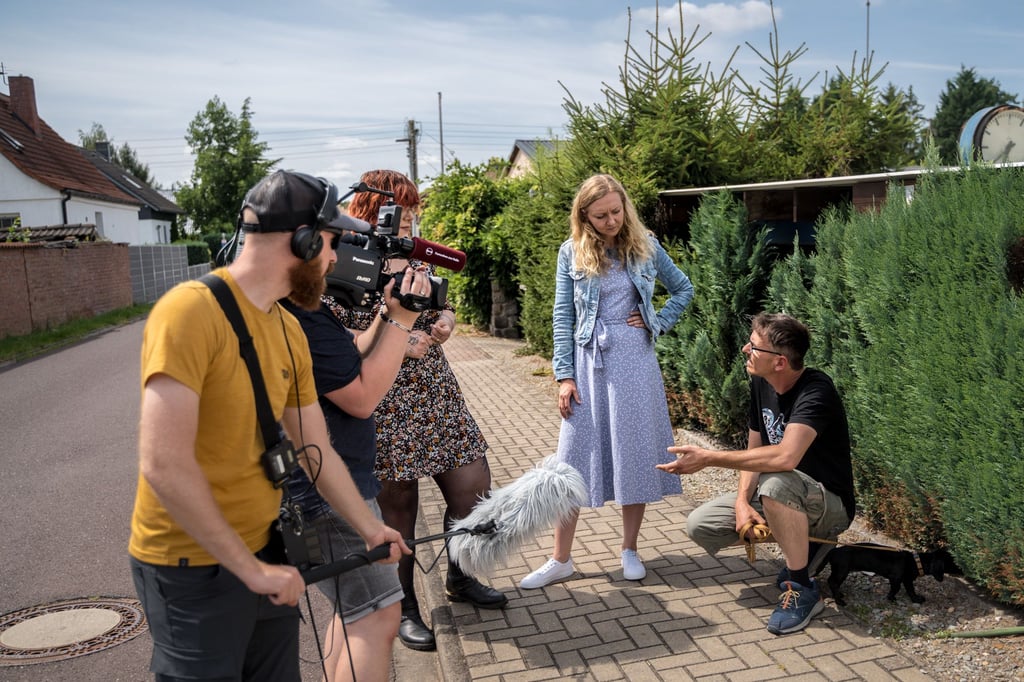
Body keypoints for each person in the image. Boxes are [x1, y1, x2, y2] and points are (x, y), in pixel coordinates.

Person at [128, 169, 409, 681]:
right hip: (191, 565)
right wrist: (249, 569)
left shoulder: (288, 327)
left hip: (266, 551)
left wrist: (370, 529)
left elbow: (313, 447)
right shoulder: (188, 312)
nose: (334, 258)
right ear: (301, 240)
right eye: (330, 243)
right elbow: (162, 464)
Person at [334, 169, 507, 652]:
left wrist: (447, 319)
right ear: (374, 212)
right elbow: (330, 333)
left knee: (474, 489)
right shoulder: (344, 261)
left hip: (434, 393)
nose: (412, 220)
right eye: (403, 211)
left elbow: (438, 306)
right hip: (381, 399)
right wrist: (393, 337)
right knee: (398, 510)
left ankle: (460, 575)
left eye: (414, 210)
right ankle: (405, 605)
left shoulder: (415, 256)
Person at [520, 173, 694, 590]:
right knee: (572, 458)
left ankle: (629, 549)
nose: (611, 220)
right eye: (601, 215)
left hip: (634, 359)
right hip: (587, 361)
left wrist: (656, 321)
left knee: (633, 450)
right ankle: (560, 559)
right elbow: (562, 316)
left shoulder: (646, 245)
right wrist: (563, 376)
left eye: (616, 211)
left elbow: (683, 290)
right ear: (585, 216)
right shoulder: (571, 252)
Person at [281, 251, 431, 679]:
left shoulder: (300, 310)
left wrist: (388, 313)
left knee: (353, 612)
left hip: (321, 490)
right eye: (330, 242)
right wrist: (404, 320)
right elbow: (362, 399)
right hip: (327, 496)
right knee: (380, 616)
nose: (335, 257)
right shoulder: (298, 316)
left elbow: (355, 350)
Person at [657, 312, 855, 636]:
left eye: (753, 347)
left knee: (776, 481)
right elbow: (754, 450)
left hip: (830, 503)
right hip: (782, 496)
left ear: (779, 362)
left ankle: (803, 587)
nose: (745, 351)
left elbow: (785, 457)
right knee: (700, 526)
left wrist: (708, 458)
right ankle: (808, 549)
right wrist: (740, 502)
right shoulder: (761, 383)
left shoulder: (816, 391)